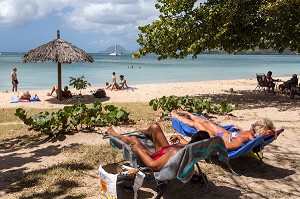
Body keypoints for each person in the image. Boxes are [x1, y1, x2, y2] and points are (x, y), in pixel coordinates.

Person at [107, 123, 210, 171]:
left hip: (156, 157)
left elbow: (153, 165)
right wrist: (179, 137)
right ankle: (145, 132)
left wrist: (139, 150)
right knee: (154, 127)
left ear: (192, 136)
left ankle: (115, 135)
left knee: (133, 139)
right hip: (165, 151)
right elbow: (188, 144)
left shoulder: (176, 152)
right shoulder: (193, 149)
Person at [171, 110, 276, 151]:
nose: (251, 125)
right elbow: (271, 132)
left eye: (254, 125)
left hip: (218, 139)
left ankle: (176, 117)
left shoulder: (245, 138)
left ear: (259, 130)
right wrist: (239, 130)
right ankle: (189, 114)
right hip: (225, 133)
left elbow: (225, 147)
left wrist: (210, 144)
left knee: (197, 124)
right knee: (206, 122)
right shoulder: (249, 134)